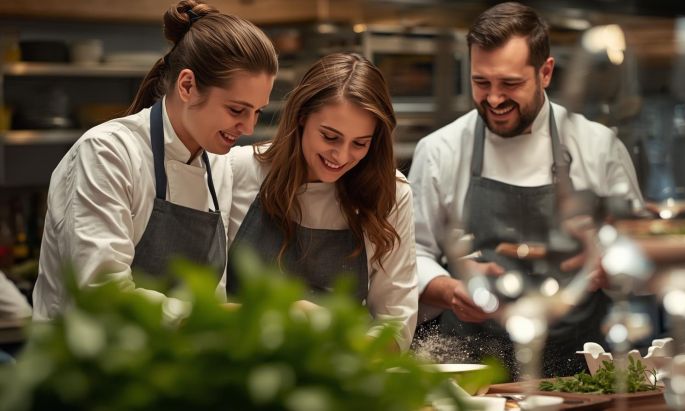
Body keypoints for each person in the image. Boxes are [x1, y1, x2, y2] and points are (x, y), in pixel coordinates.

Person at [409, 2, 644, 376]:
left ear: (545, 72)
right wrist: (450, 289)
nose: (495, 99)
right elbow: (414, 254)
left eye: (511, 83)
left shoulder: (598, 147)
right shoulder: (440, 150)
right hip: (471, 366)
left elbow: (642, 249)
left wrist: (609, 265)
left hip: (579, 367)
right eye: (480, 82)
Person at [32, 0, 278, 323]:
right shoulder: (107, 154)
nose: (247, 127)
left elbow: (209, 295)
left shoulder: (218, 165)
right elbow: (102, 297)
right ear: (187, 85)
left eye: (257, 112)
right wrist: (219, 315)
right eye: (236, 110)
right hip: (85, 368)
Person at [226, 53, 418, 352]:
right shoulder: (235, 171)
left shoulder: (390, 193)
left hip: (340, 376)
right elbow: (203, 304)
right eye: (330, 137)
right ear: (301, 116)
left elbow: (395, 326)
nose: (341, 157)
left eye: (360, 143)